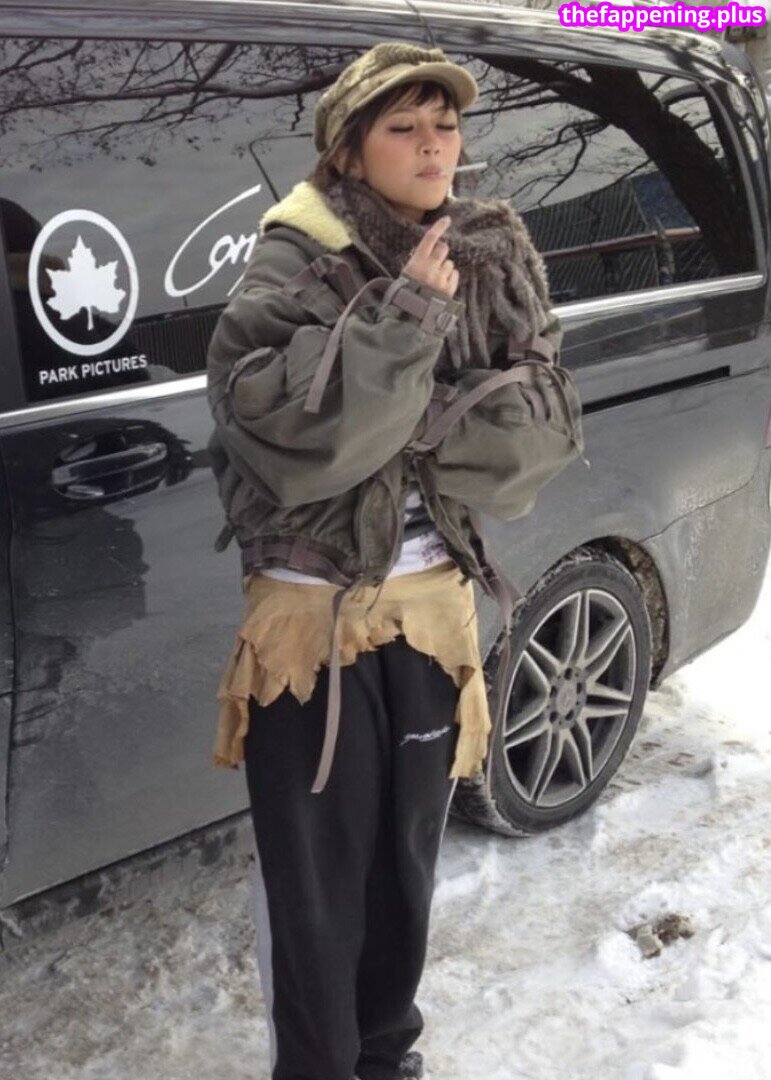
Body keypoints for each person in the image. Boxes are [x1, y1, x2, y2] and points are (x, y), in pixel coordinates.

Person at [206, 41, 584, 1080]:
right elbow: (303, 446)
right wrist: (409, 325)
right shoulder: (293, 262)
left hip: (429, 611)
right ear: (348, 149)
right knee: (315, 889)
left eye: (446, 126)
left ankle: (387, 1059)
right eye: (403, 127)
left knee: (406, 865)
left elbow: (542, 430)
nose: (432, 147)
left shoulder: (489, 256)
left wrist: (404, 422)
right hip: (312, 627)